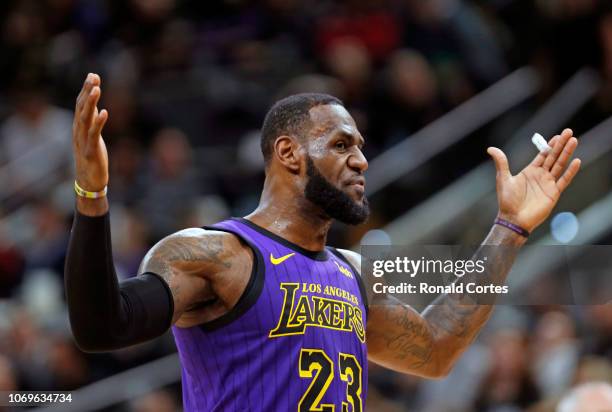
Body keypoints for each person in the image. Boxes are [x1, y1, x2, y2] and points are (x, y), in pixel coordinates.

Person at [65, 73, 581, 411]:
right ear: (289, 153)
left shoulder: (351, 274)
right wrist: (92, 195)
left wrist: (510, 228)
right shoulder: (217, 255)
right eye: (340, 144)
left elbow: (436, 349)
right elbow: (102, 326)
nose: (360, 160)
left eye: (360, 147)